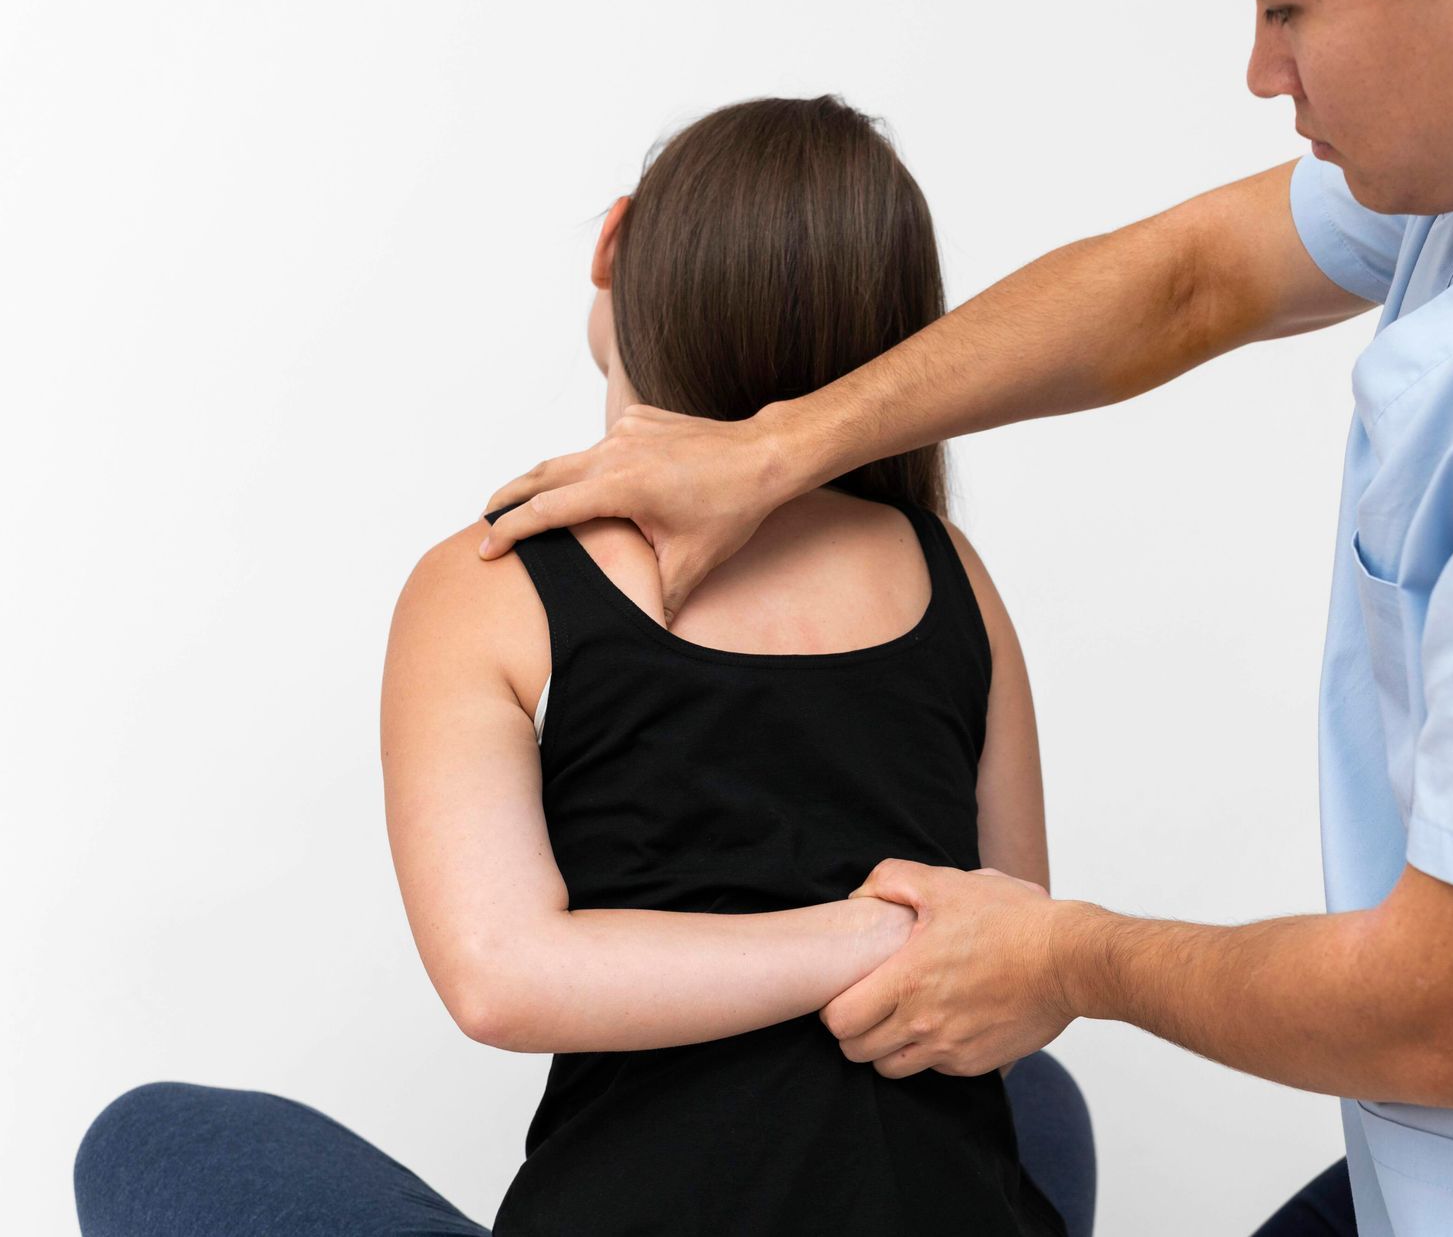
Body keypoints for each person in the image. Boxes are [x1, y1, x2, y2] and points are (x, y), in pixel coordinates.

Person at [475, 0, 1453, 1235]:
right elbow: (1186, 281)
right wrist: (785, 445)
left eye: (1286, 5)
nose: (1259, 70)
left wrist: (1068, 959)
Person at [71, 97, 1095, 1237]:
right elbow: (1016, 947)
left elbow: (501, 977)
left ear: (611, 243)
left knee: (148, 1133)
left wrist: (856, 936)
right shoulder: (949, 567)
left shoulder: (493, 575)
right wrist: (884, 938)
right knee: (1037, 1105)